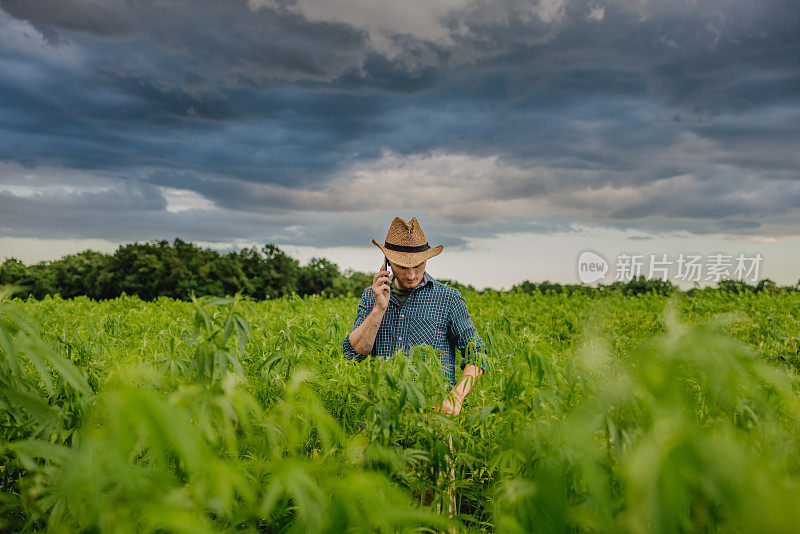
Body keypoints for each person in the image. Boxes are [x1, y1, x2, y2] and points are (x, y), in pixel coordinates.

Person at [342, 215, 486, 416]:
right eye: (402, 267)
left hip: (433, 416)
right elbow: (353, 353)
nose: (411, 275)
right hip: (382, 416)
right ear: (388, 263)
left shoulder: (449, 298)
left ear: (426, 259)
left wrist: (456, 396)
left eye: (418, 266)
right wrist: (378, 309)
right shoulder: (371, 296)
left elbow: (477, 354)